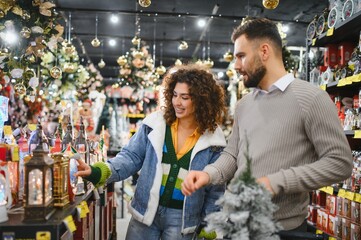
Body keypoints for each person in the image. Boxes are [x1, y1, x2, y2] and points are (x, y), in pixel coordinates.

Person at [181, 18, 353, 237]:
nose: (236, 65)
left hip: (280, 229)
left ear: (264, 51)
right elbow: (233, 154)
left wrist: (276, 182)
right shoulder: (244, 104)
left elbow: (340, 163)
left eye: (241, 56)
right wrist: (208, 174)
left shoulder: (311, 99)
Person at [75, 64, 228, 240]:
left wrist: (209, 223)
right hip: (145, 212)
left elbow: (215, 187)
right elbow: (131, 157)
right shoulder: (155, 124)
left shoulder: (214, 140)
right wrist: (99, 171)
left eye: (184, 97)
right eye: (175, 95)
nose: (177, 102)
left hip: (183, 218)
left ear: (202, 100)